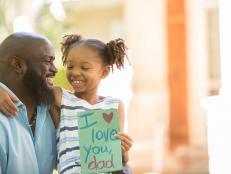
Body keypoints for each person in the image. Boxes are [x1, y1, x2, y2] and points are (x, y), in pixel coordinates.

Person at [0, 34, 133, 174]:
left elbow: (113, 160)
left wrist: (122, 153)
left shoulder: (113, 105)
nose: (74, 72)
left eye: (85, 68)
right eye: (70, 66)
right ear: (18, 65)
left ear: (104, 72)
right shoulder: (60, 99)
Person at [0, 32, 57, 174]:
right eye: (47, 61)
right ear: (18, 64)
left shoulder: (52, 110)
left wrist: (117, 157)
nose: (55, 69)